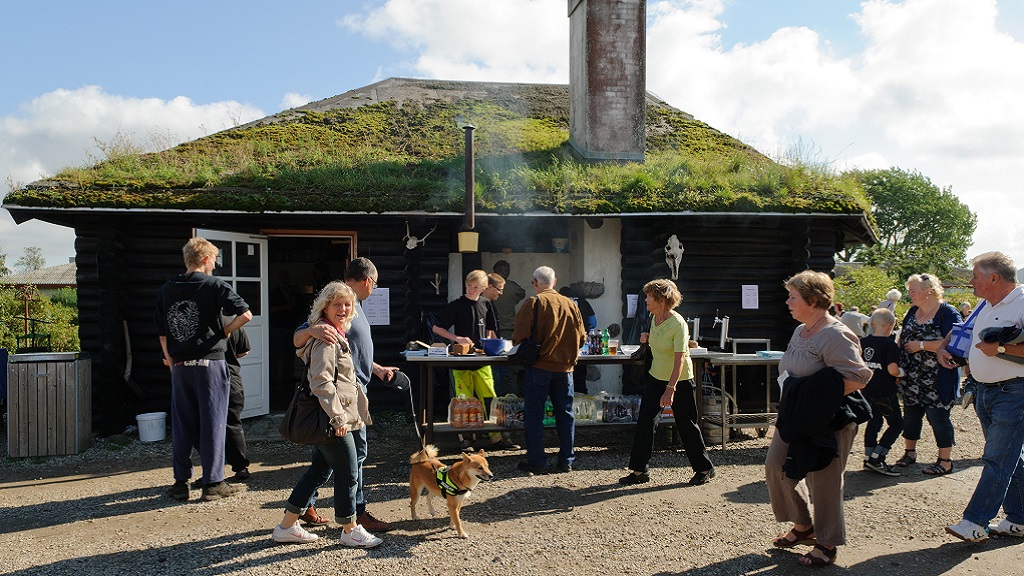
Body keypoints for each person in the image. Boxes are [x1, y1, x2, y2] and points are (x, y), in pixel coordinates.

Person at [765, 270, 872, 567]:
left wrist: (816, 399)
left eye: (793, 297)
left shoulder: (835, 334)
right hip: (796, 416)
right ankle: (804, 526)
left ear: (813, 301)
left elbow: (859, 377)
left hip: (830, 420)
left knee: (825, 481)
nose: (787, 302)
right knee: (776, 466)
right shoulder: (800, 330)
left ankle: (827, 543)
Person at [271, 282, 382, 548]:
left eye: (347, 304)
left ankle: (286, 526)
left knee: (318, 471)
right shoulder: (326, 338)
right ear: (325, 307)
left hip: (332, 417)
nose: (343, 309)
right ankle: (350, 529)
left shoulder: (334, 333)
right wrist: (338, 418)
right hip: (331, 420)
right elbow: (320, 383)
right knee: (348, 472)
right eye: (337, 304)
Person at [292, 257, 399, 532]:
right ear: (368, 281)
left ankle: (303, 506)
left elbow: (354, 354)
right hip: (342, 402)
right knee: (355, 458)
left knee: (323, 462)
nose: (373, 289)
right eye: (374, 284)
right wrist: (312, 329)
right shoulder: (340, 303)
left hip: (354, 391)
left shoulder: (355, 307)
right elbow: (300, 335)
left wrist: (376, 369)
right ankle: (356, 515)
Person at [156, 238, 252, 502]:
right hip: (211, 364)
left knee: (182, 425)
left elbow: (163, 335)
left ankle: (179, 484)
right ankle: (213, 484)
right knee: (214, 423)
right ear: (208, 259)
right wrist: (223, 332)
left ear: (187, 259)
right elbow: (245, 314)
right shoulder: (214, 285)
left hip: (181, 367)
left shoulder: (167, 289)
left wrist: (173, 364)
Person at [939, 252, 1024, 542]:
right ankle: (1020, 519)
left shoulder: (1023, 301)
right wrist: (945, 348)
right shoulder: (984, 303)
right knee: (1011, 457)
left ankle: (975, 522)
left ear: (994, 278)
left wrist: (1000, 350)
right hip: (985, 390)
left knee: (997, 459)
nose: (970, 281)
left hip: (1014, 392)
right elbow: (967, 335)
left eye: (975, 275)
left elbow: (1000, 348)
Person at [619, 279, 714, 486]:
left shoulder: (678, 323)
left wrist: (670, 388)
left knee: (686, 424)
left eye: (649, 296)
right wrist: (647, 340)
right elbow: (659, 347)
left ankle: (704, 468)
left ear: (660, 300)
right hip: (656, 377)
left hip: (679, 380)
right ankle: (639, 471)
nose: (645, 299)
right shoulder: (654, 318)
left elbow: (680, 358)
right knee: (645, 422)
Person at [513, 266, 587, 475]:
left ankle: (537, 461)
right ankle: (566, 461)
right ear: (555, 282)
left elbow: (520, 335)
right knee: (566, 414)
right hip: (566, 369)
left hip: (539, 367)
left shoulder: (534, 303)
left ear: (535, 283)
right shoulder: (571, 305)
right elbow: (582, 338)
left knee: (534, 415)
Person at [433, 269, 516, 451]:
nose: (471, 289)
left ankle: (497, 438)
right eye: (469, 286)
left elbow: (491, 330)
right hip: (461, 363)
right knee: (464, 403)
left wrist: (490, 343)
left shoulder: (487, 304)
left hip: (482, 362)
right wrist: (457, 338)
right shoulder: (456, 305)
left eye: (475, 287)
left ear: (484, 287)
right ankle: (467, 439)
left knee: (490, 400)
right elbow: (437, 328)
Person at [893, 273, 962, 475]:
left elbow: (955, 343)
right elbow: (902, 337)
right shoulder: (913, 311)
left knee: (938, 418)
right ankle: (910, 453)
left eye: (913, 291)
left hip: (937, 377)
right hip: (912, 376)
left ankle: (945, 461)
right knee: (911, 416)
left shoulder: (947, 313)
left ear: (929, 291)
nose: (910, 295)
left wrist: (921, 345)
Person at [860, 308, 905, 476]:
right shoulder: (890, 345)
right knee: (897, 424)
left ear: (871, 324)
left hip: (867, 389)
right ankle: (877, 457)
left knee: (874, 421)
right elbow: (892, 369)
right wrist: (902, 373)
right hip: (885, 391)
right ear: (892, 326)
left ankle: (868, 456)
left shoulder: (863, 342)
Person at [223, 323, 251, 482]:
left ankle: (213, 472)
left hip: (210, 381)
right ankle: (240, 467)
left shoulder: (202, 321)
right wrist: (231, 355)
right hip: (232, 380)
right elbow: (245, 350)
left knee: (207, 428)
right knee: (233, 425)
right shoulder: (234, 322)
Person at [559, 285, 597, 394]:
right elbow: (593, 322)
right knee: (580, 375)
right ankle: (582, 400)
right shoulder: (583, 302)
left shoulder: (559, 302)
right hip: (581, 344)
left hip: (563, 345)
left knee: (564, 378)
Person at [492, 260, 526, 339]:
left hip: (490, 328)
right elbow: (522, 295)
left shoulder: (487, 286)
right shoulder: (513, 287)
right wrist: (514, 300)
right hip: (508, 328)